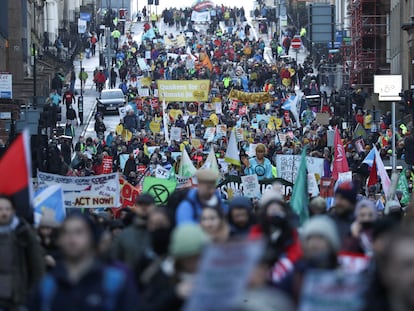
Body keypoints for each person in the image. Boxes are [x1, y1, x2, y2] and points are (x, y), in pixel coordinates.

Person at [28, 213, 138, 311]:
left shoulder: (114, 281)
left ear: (92, 237)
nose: (71, 238)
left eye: (79, 232)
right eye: (66, 232)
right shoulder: (49, 285)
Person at [0, 195, 45, 310]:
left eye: (7, 209)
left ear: (13, 211)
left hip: (18, 298)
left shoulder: (23, 232)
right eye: (0, 209)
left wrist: (34, 293)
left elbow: (37, 265)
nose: (4, 213)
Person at [111, 194, 155, 272]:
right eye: (140, 204)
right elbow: (115, 261)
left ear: (154, 207)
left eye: (147, 204)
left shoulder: (161, 231)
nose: (144, 207)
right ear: (136, 207)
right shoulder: (124, 235)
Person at [330, 181, 357, 246]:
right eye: (337, 198)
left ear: (351, 202)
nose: (338, 202)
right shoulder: (328, 221)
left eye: (342, 198)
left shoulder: (360, 223)